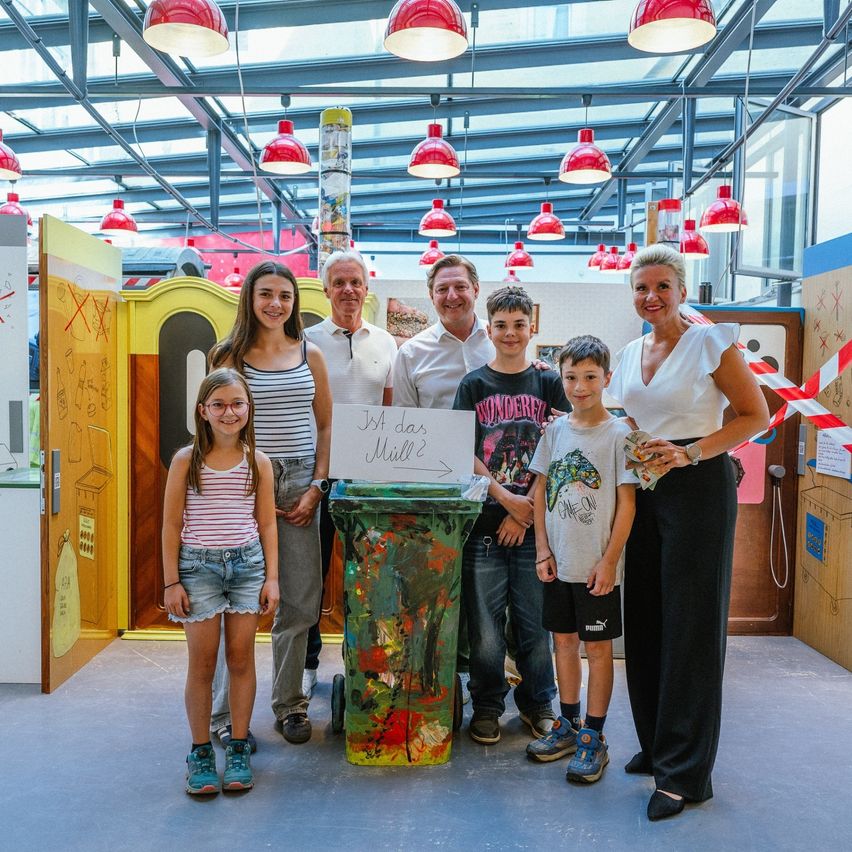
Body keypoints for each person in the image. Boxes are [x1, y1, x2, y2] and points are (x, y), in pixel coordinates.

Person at [608, 244, 769, 820]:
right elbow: (626, 415)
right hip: (644, 484)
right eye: (640, 288)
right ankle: (656, 745)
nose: (650, 297)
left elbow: (756, 416)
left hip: (698, 487)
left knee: (691, 626)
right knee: (646, 616)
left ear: (682, 290)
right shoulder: (628, 352)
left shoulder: (709, 342)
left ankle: (686, 773)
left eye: (662, 287)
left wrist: (691, 452)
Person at [208, 261, 332, 746]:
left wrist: (318, 485)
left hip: (301, 482)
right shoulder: (228, 356)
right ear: (250, 298)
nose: (276, 303)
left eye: (284, 294)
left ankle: (289, 705)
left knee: (300, 602)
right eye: (266, 294)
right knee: (235, 602)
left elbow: (325, 426)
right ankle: (222, 715)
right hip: (242, 483)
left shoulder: (311, 354)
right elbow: (211, 427)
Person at [452, 286, 568, 744]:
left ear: (531, 327)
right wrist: (504, 500)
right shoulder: (474, 385)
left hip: (536, 528)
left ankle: (540, 703)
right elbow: (464, 451)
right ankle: (486, 705)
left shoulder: (548, 382)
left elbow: (560, 447)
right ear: (489, 328)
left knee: (534, 626)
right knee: (483, 629)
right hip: (484, 524)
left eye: (520, 324)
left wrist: (523, 514)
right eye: (501, 325)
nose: (511, 333)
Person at [162, 368, 279, 794]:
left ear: (249, 409)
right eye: (219, 405)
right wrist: (171, 581)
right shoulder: (185, 460)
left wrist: (273, 578)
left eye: (237, 404)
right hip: (198, 569)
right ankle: (200, 752)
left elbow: (266, 524)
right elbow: (171, 524)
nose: (229, 412)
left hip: (247, 567)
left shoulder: (259, 462)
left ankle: (239, 746)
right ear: (203, 411)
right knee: (203, 662)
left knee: (241, 658)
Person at [526, 336, 636, 784]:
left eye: (590, 377)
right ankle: (568, 725)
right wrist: (542, 550)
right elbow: (539, 495)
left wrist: (609, 562)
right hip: (558, 563)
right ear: (561, 378)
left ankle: (595, 734)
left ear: (606, 379)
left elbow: (627, 505)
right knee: (564, 646)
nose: (580, 386)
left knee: (598, 650)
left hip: (597, 569)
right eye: (571, 377)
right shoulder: (555, 431)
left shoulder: (619, 434)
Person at [301, 249, 397, 698]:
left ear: (366, 288)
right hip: (316, 477)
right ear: (325, 290)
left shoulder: (386, 342)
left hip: (369, 482)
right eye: (338, 282)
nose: (348, 290)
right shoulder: (306, 340)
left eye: (355, 281)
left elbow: (392, 409)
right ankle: (306, 662)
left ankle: (366, 663)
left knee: (370, 578)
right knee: (311, 575)